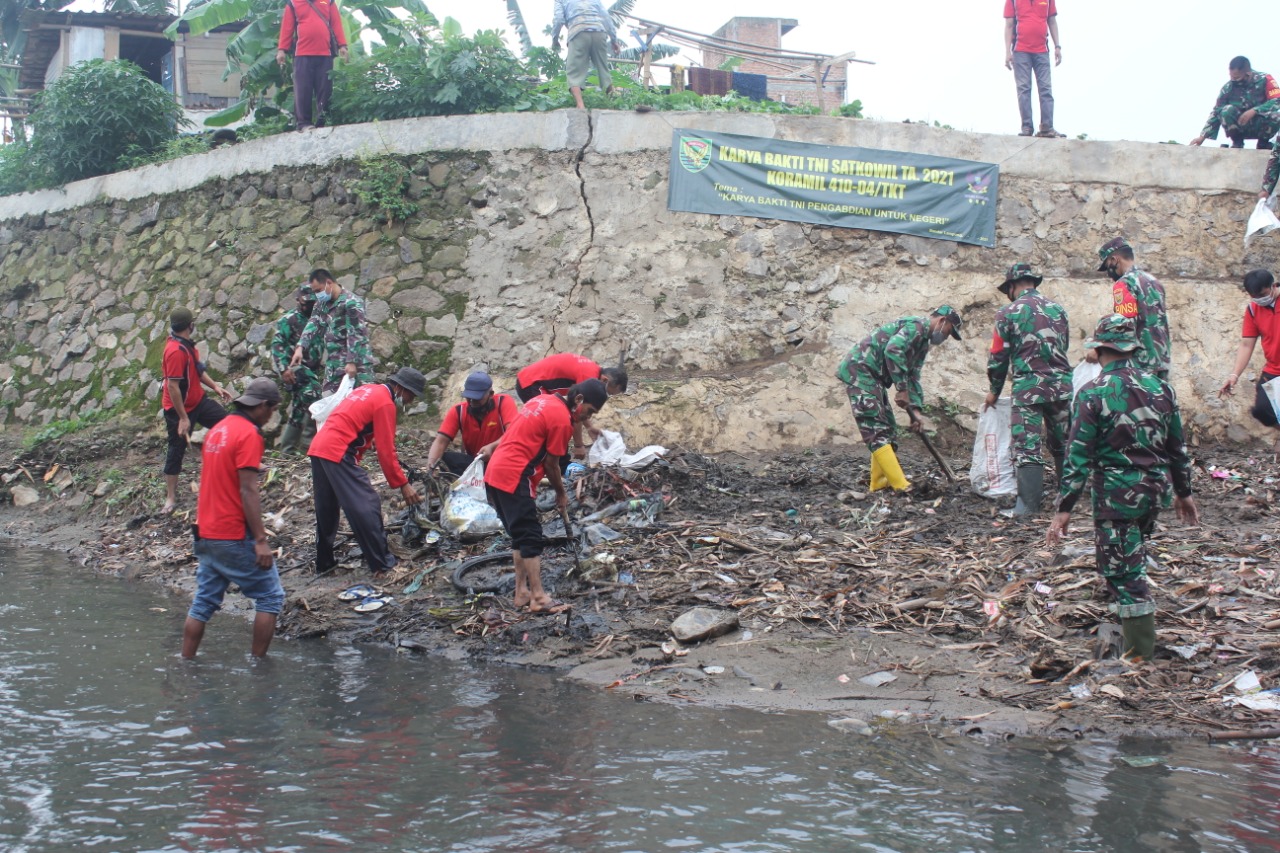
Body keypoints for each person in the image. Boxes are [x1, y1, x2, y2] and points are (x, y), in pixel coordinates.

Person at [1047, 315, 1199, 661]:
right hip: (1153, 494)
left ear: (1100, 350)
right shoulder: (1161, 388)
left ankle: (1139, 656)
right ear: (1131, 348)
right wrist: (1183, 492)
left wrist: (1064, 509)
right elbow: (1177, 448)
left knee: (1126, 572)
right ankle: (1126, 631)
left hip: (1117, 497)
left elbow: (1077, 456)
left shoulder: (1093, 393)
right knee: (1128, 560)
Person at [182, 378, 286, 659]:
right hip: (232, 534)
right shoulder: (250, 435)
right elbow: (247, 489)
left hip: (205, 531)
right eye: (272, 410)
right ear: (264, 406)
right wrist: (261, 540)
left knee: (203, 602)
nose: (270, 417)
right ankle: (259, 668)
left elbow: (225, 472)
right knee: (270, 596)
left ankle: (185, 662)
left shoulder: (218, 429)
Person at [484, 379, 608, 614]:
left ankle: (521, 592)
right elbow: (552, 465)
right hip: (514, 473)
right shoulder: (562, 421)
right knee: (531, 536)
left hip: (495, 472)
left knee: (519, 535)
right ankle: (539, 597)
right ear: (579, 400)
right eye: (589, 411)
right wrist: (561, 493)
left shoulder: (542, 400)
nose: (586, 417)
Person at [306, 367, 424, 575]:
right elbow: (386, 452)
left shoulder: (368, 389)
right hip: (338, 451)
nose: (410, 401)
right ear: (399, 388)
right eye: (410, 395)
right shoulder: (386, 403)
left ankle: (324, 563)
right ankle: (382, 563)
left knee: (327, 508)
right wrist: (403, 484)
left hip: (320, 446)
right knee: (366, 504)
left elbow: (354, 422)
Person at [835, 306, 963, 491]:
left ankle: (879, 482)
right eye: (949, 332)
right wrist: (901, 389)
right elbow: (893, 350)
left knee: (888, 429)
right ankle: (901, 486)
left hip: (875, 379)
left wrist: (916, 412)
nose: (945, 337)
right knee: (875, 427)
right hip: (860, 372)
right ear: (942, 321)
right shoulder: (916, 327)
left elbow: (913, 376)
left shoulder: (923, 342)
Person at [983, 263, 1072, 516]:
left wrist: (994, 390)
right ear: (1033, 283)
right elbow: (1062, 345)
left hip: (1028, 389)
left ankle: (1028, 507)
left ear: (1012, 286)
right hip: (1061, 386)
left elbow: (998, 356)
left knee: (1027, 445)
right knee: (1063, 442)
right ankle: (1067, 498)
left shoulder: (1007, 313)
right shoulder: (1059, 310)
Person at [161, 307, 233, 514]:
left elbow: (197, 371)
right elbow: (172, 386)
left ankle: (253, 462)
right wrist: (183, 418)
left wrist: (216, 387)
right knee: (176, 450)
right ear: (190, 325)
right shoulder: (175, 351)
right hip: (178, 409)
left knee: (228, 424)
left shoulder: (187, 346)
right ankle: (171, 497)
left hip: (198, 401)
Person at [516, 351, 626, 460]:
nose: (604, 395)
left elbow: (581, 408)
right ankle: (549, 463)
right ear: (604, 380)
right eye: (608, 392)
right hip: (531, 383)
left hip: (532, 381)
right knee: (551, 424)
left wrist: (589, 427)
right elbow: (578, 410)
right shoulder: (588, 376)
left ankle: (555, 462)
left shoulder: (592, 370)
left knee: (556, 423)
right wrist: (578, 445)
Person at [1218, 269, 1280, 447]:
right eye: (1253, 296)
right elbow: (1246, 344)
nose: (1258, 299)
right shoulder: (1253, 310)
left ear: (1273, 286)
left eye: (1262, 294)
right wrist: (1234, 375)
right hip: (1274, 370)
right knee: (1262, 410)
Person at [290, 268, 374, 395]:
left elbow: (356, 334)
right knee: (329, 405)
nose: (317, 295)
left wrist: (351, 362)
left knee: (363, 402)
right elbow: (314, 322)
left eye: (318, 290)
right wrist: (300, 347)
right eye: (315, 292)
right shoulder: (322, 304)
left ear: (329, 283)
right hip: (334, 365)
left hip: (357, 365)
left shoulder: (351, 302)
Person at [1098, 237, 1171, 381]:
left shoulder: (1124, 283)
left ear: (1114, 259)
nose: (1108, 273)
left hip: (1140, 363)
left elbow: (1123, 324)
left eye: (1107, 266)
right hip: (1163, 360)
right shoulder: (1154, 281)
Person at [424, 371, 519, 476]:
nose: (472, 402)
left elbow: (513, 434)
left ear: (491, 394)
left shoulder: (503, 402)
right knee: (443, 459)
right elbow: (440, 442)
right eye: (469, 398)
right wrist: (431, 466)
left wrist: (492, 447)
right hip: (476, 464)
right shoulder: (458, 411)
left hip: (503, 463)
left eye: (477, 399)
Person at [275, 0, 348, 131]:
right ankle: (303, 123)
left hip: (325, 54)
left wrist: (342, 45)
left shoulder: (328, 2)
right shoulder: (293, 3)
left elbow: (336, 23)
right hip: (302, 54)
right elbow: (287, 28)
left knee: (325, 89)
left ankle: (323, 121)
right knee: (303, 90)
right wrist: (282, 50)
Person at [270, 283, 322, 452]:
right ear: (298, 300)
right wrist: (284, 369)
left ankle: (287, 450)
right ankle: (309, 443)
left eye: (313, 302)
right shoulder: (288, 320)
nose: (310, 305)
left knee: (299, 409)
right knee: (314, 395)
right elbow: (277, 345)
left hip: (312, 369)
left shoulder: (317, 318)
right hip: (295, 369)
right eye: (307, 302)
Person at [1189, 56, 1280, 150]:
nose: (1234, 80)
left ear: (1247, 73)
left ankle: (1263, 145)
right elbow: (1216, 112)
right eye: (1232, 77)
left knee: (1277, 116)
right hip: (1240, 127)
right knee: (1226, 110)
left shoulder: (1265, 79)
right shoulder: (1228, 88)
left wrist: (1255, 110)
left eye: (1237, 77)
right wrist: (1202, 137)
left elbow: (1277, 99)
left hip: (1261, 125)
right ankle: (1237, 142)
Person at [1003, 0, 1063, 138]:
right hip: (1020, 50)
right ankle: (1027, 127)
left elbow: (1052, 21)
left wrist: (1057, 46)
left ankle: (1047, 128)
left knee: (1045, 89)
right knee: (1023, 89)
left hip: (1042, 50)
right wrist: (1007, 52)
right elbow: (1009, 25)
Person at [551, 0, 621, 111]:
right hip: (599, 31)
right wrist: (614, 40)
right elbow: (606, 17)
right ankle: (613, 103)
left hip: (578, 32)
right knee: (603, 69)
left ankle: (580, 105)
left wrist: (555, 39)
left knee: (574, 72)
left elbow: (559, 19)